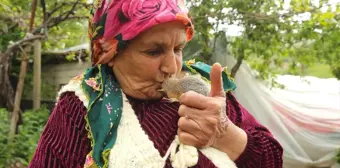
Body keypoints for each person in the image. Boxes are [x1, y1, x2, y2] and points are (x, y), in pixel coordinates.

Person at [28, 0, 283, 167]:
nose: (172, 67)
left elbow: (272, 159)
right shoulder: (82, 106)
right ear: (110, 54)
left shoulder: (204, 90)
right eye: (153, 51)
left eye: (179, 48)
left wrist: (225, 134)